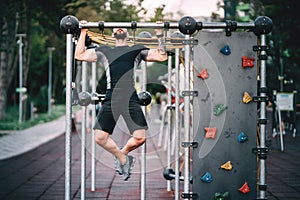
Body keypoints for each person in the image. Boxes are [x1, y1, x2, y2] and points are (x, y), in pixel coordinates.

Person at [75, 21, 168, 181]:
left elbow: (162, 56)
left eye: (122, 26)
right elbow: (79, 55)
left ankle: (123, 154)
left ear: (127, 32)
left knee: (140, 138)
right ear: (112, 34)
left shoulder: (136, 50)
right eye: (116, 27)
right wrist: (83, 31)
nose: (119, 28)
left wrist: (160, 33)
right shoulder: (104, 51)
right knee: (99, 138)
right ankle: (123, 158)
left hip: (130, 97)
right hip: (112, 97)